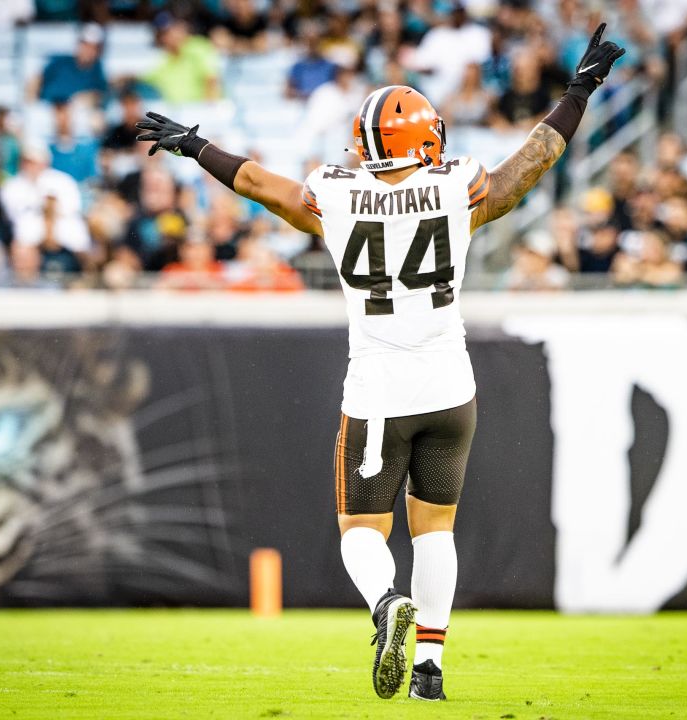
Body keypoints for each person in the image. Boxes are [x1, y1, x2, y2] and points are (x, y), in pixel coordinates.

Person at [135, 24, 624, 702]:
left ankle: (386, 603)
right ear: (428, 141)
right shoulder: (457, 185)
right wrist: (579, 90)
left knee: (361, 531)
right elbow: (532, 162)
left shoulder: (335, 193)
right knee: (436, 531)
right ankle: (430, 669)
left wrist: (194, 145)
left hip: (378, 391)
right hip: (452, 387)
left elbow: (255, 183)